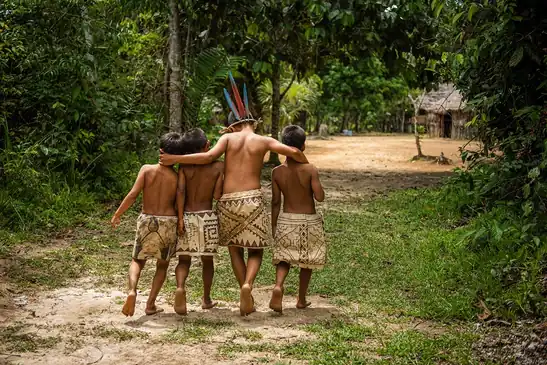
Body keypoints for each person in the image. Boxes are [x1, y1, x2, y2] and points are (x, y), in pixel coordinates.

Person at [160, 78, 308, 315]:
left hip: (228, 202)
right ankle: (248, 285)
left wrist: (175, 159)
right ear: (252, 122)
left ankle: (243, 288)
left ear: (232, 126)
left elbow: (207, 158)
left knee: (234, 249)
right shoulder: (263, 140)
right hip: (252, 200)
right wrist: (304, 162)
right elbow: (293, 152)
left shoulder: (227, 139)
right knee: (256, 250)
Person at [111, 132, 185, 317]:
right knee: (162, 265)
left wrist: (118, 214)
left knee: (138, 260)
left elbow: (133, 194)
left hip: (147, 219)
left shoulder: (146, 169)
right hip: (168, 221)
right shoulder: (177, 177)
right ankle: (150, 304)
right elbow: (179, 203)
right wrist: (181, 221)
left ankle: (132, 291)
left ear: (160, 151)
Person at [269, 125, 326, 313]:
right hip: (308, 220)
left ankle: (278, 286)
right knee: (306, 261)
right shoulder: (310, 169)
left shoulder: (277, 172)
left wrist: (274, 224)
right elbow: (319, 197)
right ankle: (301, 299)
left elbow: (276, 202)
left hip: (286, 219)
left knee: (284, 258)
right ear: (303, 146)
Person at [173, 128, 224, 315]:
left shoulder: (184, 167)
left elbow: (180, 192)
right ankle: (206, 298)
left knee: (184, 259)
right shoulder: (219, 167)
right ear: (207, 146)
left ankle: (180, 288)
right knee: (207, 261)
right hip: (207, 217)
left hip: (186, 215)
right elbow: (218, 195)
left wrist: (179, 218)